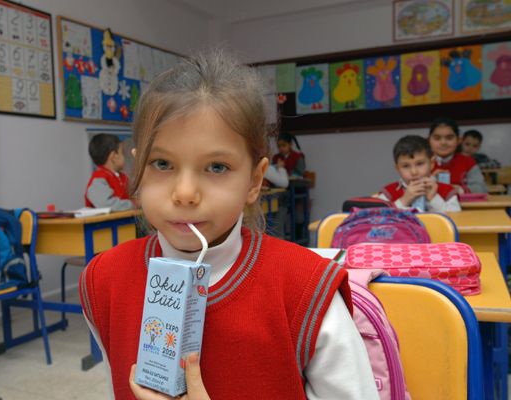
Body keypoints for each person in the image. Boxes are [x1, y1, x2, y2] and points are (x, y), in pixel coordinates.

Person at [79, 50, 378, 399]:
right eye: (161, 163)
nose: (185, 193)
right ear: (137, 169)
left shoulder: (306, 290)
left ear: (254, 180)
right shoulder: (103, 280)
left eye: (216, 167)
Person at [377, 135, 460, 212]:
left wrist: (434, 199)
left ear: (431, 163)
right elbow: (377, 220)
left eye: (420, 164)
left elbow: (457, 220)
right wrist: (404, 200)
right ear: (398, 169)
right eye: (406, 166)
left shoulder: (448, 191)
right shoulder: (388, 193)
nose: (414, 172)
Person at [428, 118, 487, 194]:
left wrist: (459, 189)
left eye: (449, 138)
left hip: (463, 205)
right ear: (429, 140)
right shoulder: (420, 162)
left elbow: (482, 188)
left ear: (459, 140)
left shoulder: (468, 162)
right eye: (437, 138)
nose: (443, 142)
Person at [84, 133, 134, 210]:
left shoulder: (123, 177)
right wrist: (134, 204)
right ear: (114, 156)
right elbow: (106, 205)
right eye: (122, 153)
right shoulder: (98, 179)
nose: (125, 157)